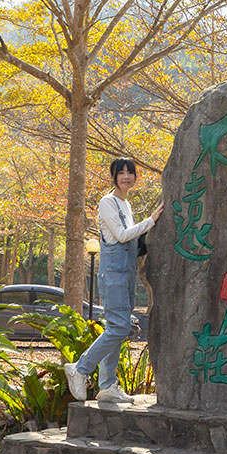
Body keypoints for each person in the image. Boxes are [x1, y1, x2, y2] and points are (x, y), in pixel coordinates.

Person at [65, 158, 162, 404]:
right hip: (113, 276)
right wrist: (150, 221)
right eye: (122, 173)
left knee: (117, 328)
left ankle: (107, 386)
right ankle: (81, 368)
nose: (127, 177)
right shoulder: (107, 202)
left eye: (131, 172)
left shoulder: (126, 204)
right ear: (114, 176)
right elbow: (120, 235)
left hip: (126, 275)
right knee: (119, 327)